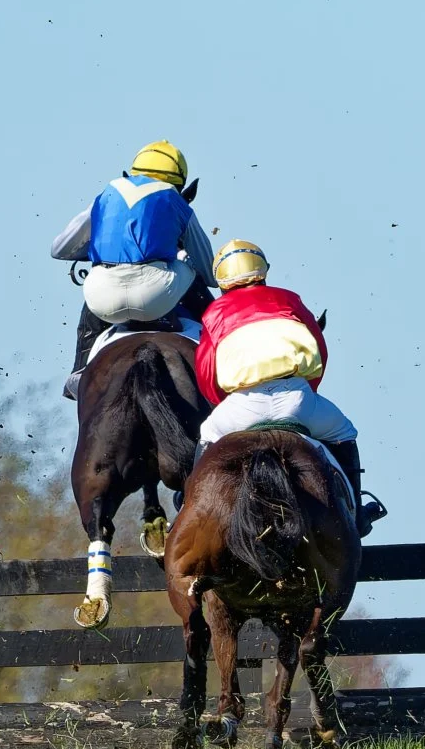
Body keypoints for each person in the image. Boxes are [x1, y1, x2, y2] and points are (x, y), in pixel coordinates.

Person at [191, 239, 387, 537]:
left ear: (222, 281)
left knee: (207, 436)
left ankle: (189, 513)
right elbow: (319, 350)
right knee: (344, 432)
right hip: (296, 399)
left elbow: (207, 374)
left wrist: (225, 402)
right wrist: (308, 389)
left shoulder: (214, 313)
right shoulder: (289, 299)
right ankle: (358, 513)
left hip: (241, 407)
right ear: (263, 272)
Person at [51, 140, 219, 399]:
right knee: (189, 264)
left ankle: (79, 370)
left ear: (131, 172)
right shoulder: (177, 201)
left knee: (99, 275)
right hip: (156, 298)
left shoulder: (106, 195)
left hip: (102, 302)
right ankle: (220, 359)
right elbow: (210, 273)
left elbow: (60, 249)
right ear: (181, 184)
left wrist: (102, 250)